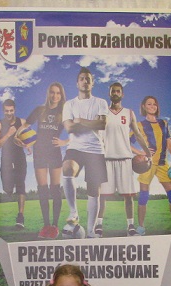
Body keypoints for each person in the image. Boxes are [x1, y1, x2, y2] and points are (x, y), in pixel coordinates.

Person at [97, 82, 152, 237]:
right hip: (106, 158)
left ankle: (130, 226)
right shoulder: (102, 113)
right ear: (109, 94)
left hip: (125, 159)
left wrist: (147, 152)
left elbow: (138, 135)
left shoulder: (129, 113)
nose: (115, 93)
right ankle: (99, 225)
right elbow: (95, 135)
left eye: (118, 91)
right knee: (103, 196)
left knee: (128, 196)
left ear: (122, 94)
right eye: (113, 91)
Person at [61, 66, 108, 238]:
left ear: (92, 83)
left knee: (93, 191)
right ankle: (73, 212)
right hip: (76, 148)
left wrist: (80, 120)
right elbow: (69, 128)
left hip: (96, 149)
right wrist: (90, 122)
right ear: (77, 83)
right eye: (82, 78)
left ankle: (90, 231)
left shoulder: (101, 102)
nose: (85, 81)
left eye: (88, 78)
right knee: (67, 168)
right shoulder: (69, 104)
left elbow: (102, 124)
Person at [20, 82, 68, 239]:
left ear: (61, 95)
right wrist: (19, 138)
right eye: (52, 92)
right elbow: (25, 126)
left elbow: (75, 131)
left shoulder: (65, 112)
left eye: (58, 93)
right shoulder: (39, 110)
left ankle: (55, 226)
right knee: (42, 189)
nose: (55, 96)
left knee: (55, 189)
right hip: (39, 151)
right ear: (48, 93)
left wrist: (64, 142)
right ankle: (46, 225)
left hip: (54, 152)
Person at [136, 95, 171, 237]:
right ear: (144, 106)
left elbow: (169, 143)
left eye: (154, 104)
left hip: (163, 163)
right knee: (143, 195)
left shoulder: (164, 123)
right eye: (149, 104)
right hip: (148, 164)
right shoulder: (139, 125)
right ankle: (141, 227)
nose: (152, 106)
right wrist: (141, 152)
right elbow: (127, 141)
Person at [0, 98, 28, 228]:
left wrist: (27, 145)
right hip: (6, 157)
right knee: (7, 188)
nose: (9, 113)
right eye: (6, 111)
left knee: (21, 185)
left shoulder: (22, 122)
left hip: (19, 156)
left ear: (14, 110)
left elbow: (26, 138)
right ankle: (9, 187)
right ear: (3, 111)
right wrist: (8, 134)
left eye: (11, 110)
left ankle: (20, 217)